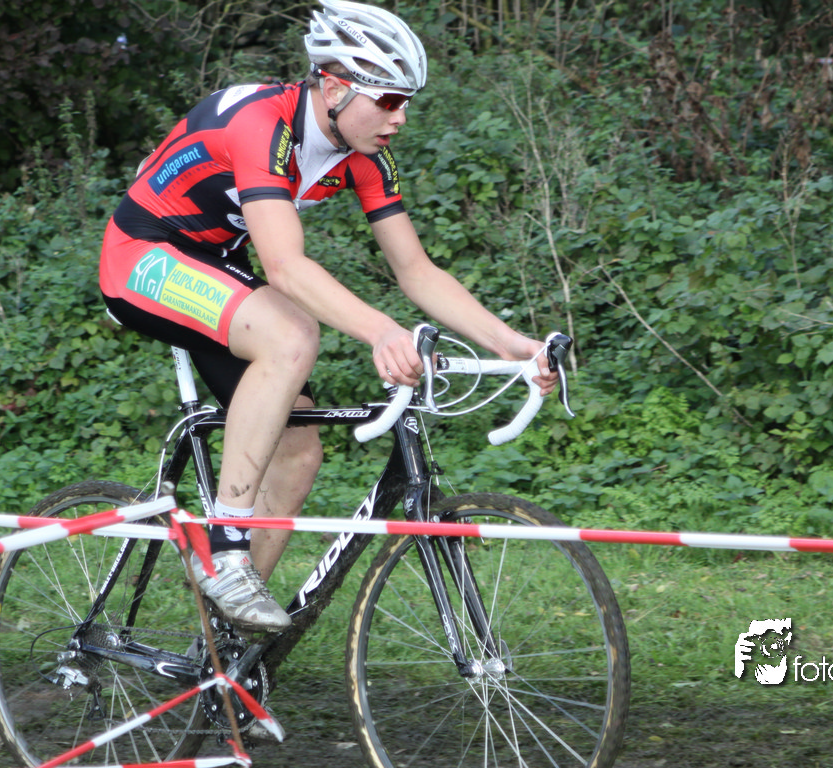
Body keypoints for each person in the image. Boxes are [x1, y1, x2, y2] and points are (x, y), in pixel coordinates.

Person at [99, 0, 556, 633]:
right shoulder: (262, 123)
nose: (400, 117)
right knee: (291, 335)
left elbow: (416, 270)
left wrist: (509, 343)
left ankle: (225, 643)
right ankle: (225, 548)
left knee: (298, 451)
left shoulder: (364, 152)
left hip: (217, 263)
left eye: (406, 102)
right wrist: (381, 331)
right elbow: (285, 266)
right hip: (142, 255)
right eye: (388, 100)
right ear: (336, 86)